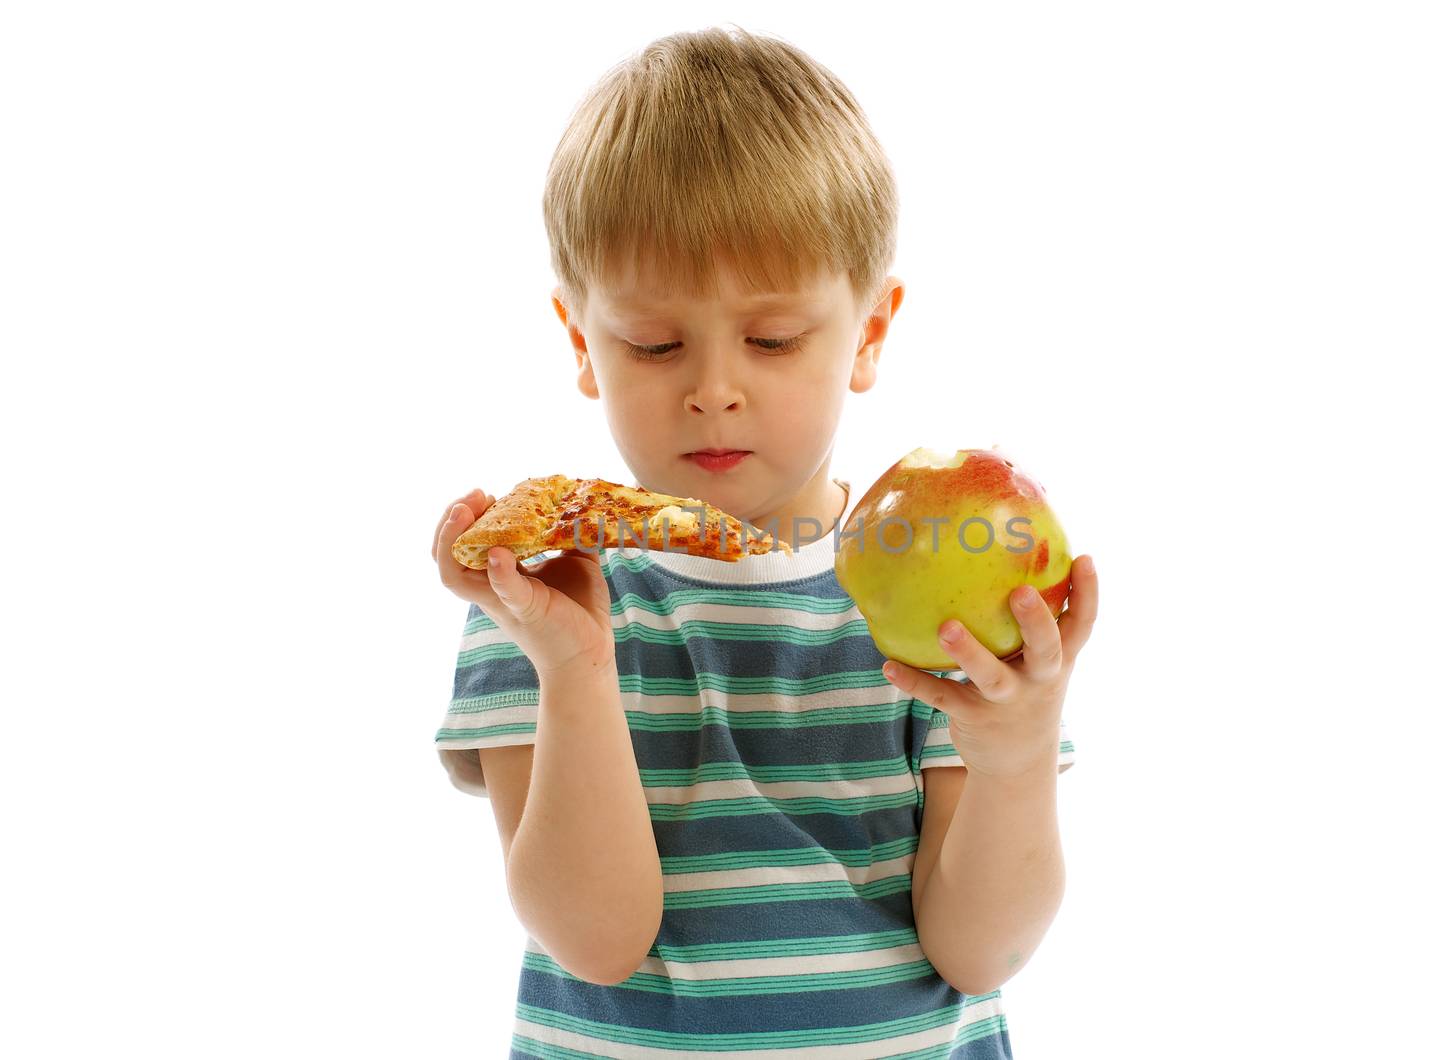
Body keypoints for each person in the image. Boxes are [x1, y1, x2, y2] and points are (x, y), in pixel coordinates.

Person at [430, 25, 1098, 1059]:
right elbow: (595, 940)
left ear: (869, 333)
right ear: (581, 341)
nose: (713, 388)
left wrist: (1012, 760)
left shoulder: (942, 599)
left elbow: (979, 952)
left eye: (773, 339)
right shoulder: (540, 601)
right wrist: (574, 667)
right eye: (653, 344)